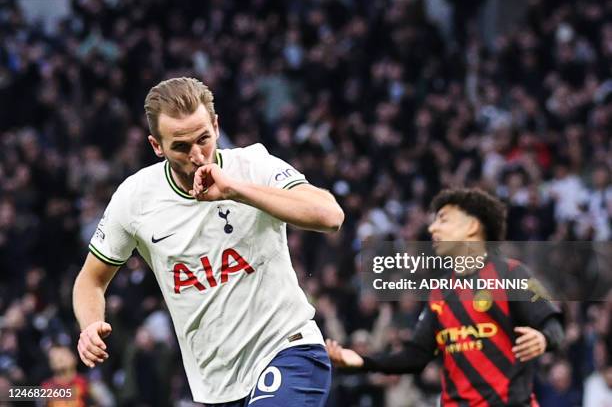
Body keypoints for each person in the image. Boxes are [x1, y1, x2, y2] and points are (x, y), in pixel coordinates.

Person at [73, 77, 344, 406]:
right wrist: (89, 325)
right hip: (214, 385)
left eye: (204, 138)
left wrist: (234, 190)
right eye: (181, 147)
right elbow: (90, 280)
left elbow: (330, 215)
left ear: (216, 126)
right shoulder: (135, 199)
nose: (198, 155)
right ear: (157, 146)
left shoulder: (253, 166)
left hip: (288, 349)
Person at [327, 188, 564, 406]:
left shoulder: (511, 274)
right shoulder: (440, 291)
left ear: (471, 227)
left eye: (443, 220)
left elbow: (553, 325)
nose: (432, 229)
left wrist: (543, 339)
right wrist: (362, 361)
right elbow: (416, 355)